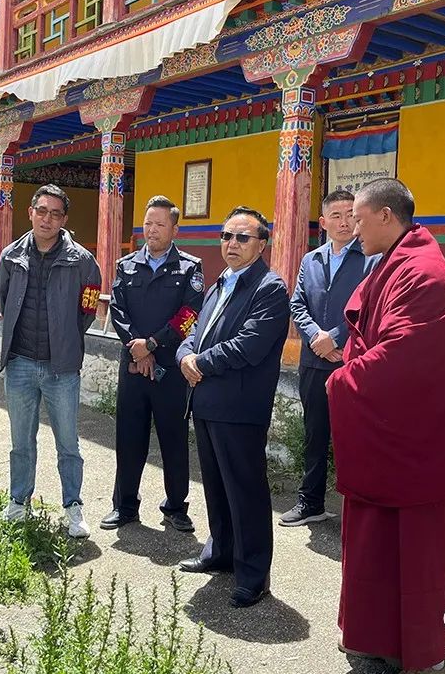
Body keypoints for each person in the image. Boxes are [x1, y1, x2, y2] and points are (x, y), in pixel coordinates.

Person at [328, 178, 445, 674]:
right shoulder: (394, 262)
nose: (351, 229)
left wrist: (343, 381)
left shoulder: (425, 273)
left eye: (359, 219)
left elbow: (406, 355)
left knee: (413, 552)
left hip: (410, 437)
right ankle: (373, 638)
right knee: (371, 545)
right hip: (384, 432)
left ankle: (416, 648)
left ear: (386, 217)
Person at [176, 206, 290, 608]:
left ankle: (253, 574)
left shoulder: (270, 289)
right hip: (205, 401)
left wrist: (199, 363)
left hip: (240, 407)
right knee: (217, 487)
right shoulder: (219, 283)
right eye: (226, 236)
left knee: (246, 492)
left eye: (243, 237)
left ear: (262, 245)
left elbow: (249, 345)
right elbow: (195, 333)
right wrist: (185, 355)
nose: (232, 244)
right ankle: (221, 553)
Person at [0, 184, 102, 538]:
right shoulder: (11, 256)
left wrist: (67, 337)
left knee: (68, 444)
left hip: (62, 368)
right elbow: (2, 295)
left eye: (56, 213)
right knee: (21, 442)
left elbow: (87, 309)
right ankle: (19, 501)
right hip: (21, 362)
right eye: (42, 211)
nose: (47, 219)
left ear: (64, 219)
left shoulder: (82, 261)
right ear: (30, 212)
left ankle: (73, 505)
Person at [102, 196, 204, 533]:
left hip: (171, 370)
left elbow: (190, 316)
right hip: (133, 366)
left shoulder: (190, 268)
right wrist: (138, 349)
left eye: (160, 224)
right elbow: (117, 311)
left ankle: (176, 507)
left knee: (173, 440)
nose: (152, 230)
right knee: (129, 438)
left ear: (175, 229)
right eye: (148, 223)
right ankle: (125, 506)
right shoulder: (126, 265)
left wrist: (153, 344)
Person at [280, 189, 379, 527]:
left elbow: (367, 308)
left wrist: (334, 337)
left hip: (351, 361)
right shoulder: (312, 260)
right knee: (314, 433)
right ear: (322, 222)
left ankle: (361, 508)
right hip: (313, 361)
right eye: (335, 215)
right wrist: (315, 337)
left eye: (351, 213)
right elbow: (297, 304)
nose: (343, 221)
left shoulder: (369, 259)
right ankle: (311, 502)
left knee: (354, 436)